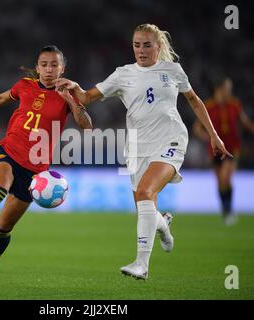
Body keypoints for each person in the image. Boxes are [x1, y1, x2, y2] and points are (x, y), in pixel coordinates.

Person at [54, 24, 232, 280]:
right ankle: (164, 226)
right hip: (137, 146)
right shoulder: (123, 74)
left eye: (147, 44)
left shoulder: (172, 70)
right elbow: (86, 97)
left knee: (146, 191)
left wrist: (214, 135)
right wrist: (74, 88)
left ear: (158, 47)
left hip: (170, 139)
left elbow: (194, 100)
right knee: (145, 206)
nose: (141, 50)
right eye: (137, 45)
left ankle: (141, 264)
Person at [0, 45, 92, 288]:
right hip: (9, 150)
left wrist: (71, 100)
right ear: (37, 68)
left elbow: (86, 125)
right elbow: (2, 98)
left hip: (35, 170)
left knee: (4, 228)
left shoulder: (68, 93)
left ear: (62, 68)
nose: (48, 69)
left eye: (54, 65)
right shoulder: (25, 85)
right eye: (44, 64)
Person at [193, 76, 254, 225]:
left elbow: (245, 122)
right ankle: (226, 210)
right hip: (215, 150)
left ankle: (229, 210)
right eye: (227, 88)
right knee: (220, 181)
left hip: (233, 147)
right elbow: (197, 128)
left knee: (226, 176)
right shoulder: (208, 106)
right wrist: (208, 138)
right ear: (219, 89)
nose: (229, 91)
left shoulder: (234, 104)